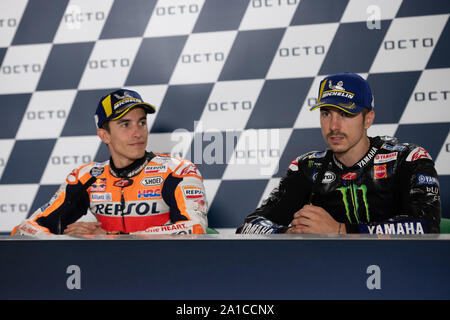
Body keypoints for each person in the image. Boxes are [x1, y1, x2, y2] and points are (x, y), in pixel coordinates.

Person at [236, 72, 441, 235]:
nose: (333, 126)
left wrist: (340, 230)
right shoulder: (307, 168)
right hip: (329, 276)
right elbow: (249, 226)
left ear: (368, 119)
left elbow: (426, 226)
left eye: (345, 114)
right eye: (326, 114)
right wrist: (289, 232)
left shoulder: (408, 159)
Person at [12, 89, 208, 236]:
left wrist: (112, 239)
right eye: (125, 124)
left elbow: (195, 228)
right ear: (104, 135)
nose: (138, 133)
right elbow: (25, 229)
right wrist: (65, 236)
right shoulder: (88, 177)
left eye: (141, 122)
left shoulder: (178, 171)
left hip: (165, 274)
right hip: (107, 275)